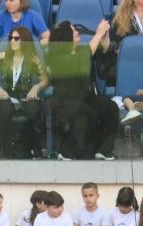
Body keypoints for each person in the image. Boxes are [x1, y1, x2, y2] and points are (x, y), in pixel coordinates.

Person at [47, 20, 118, 161]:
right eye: (74, 31)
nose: (77, 32)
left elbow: (101, 53)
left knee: (110, 107)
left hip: (87, 97)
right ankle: (68, 152)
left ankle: (104, 150)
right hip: (66, 100)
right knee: (87, 113)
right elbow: (83, 57)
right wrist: (97, 34)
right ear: (66, 37)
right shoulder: (56, 57)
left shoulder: (82, 50)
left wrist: (105, 39)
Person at [0, 25, 48, 158]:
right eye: (11, 38)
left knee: (33, 110)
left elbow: (45, 80)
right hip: (7, 96)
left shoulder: (33, 59)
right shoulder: (2, 57)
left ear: (25, 40)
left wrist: (36, 87)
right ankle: (1, 149)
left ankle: (35, 147)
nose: (12, 41)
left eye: (16, 38)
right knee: (5, 108)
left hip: (26, 96)